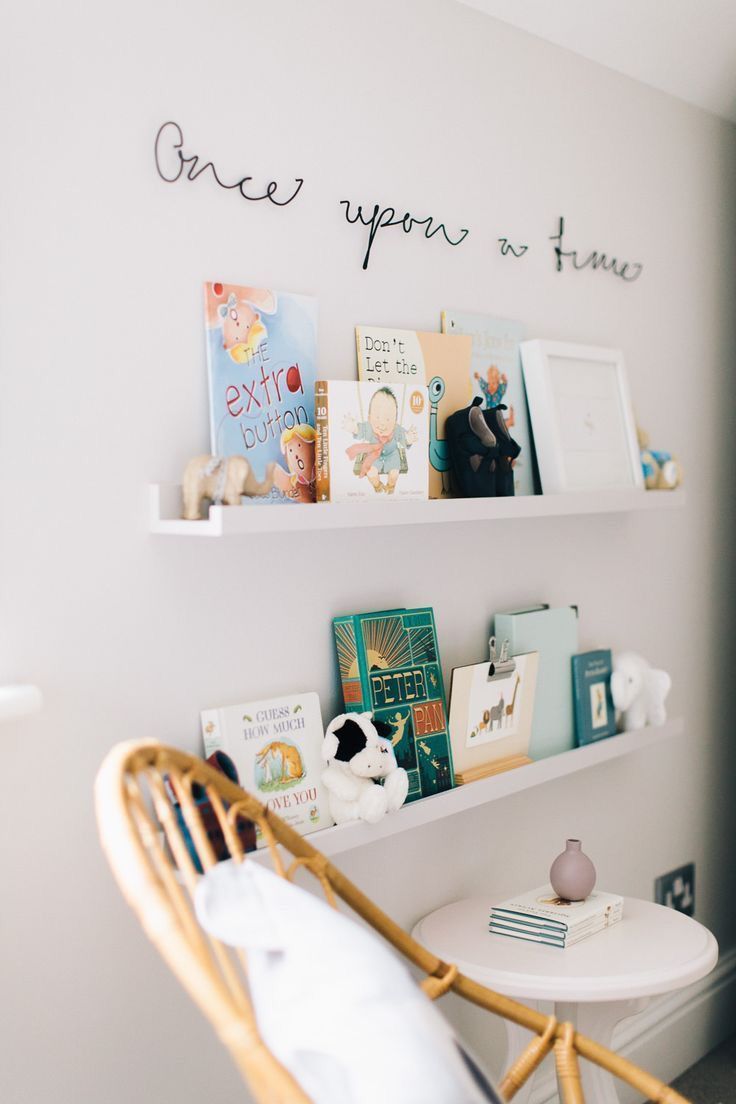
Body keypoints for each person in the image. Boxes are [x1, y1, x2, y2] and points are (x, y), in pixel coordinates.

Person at [343, 387, 418, 494]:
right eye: (377, 417)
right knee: (371, 473)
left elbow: (404, 438)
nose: (382, 423)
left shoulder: (396, 430)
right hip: (374, 456)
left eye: (387, 419)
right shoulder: (368, 427)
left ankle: (390, 487)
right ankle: (377, 486)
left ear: (395, 421)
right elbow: (360, 430)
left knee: (394, 475)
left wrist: (409, 439)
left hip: (392, 455)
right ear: (369, 418)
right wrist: (353, 428)